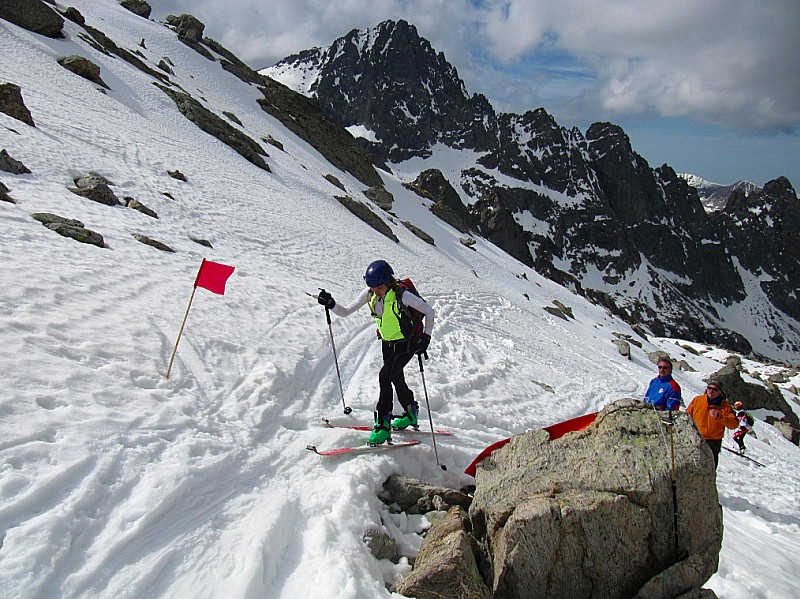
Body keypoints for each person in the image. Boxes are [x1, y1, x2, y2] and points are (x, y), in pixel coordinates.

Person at [317, 260, 435, 445]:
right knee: (395, 377)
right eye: (372, 287)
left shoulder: (403, 296)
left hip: (407, 344)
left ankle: (383, 423)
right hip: (388, 344)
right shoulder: (370, 293)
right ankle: (411, 412)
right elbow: (346, 311)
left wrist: (425, 339)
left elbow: (429, 311)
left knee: (385, 376)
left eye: (379, 287)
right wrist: (331, 304)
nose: (376, 290)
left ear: (389, 282)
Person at [686, 380, 738, 468]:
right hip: (694, 438)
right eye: (709, 388)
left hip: (713, 443)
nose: (711, 391)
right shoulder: (698, 400)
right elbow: (687, 416)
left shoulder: (725, 406)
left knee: (709, 469)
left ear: (720, 392)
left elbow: (734, 424)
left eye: (715, 389)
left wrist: (720, 417)